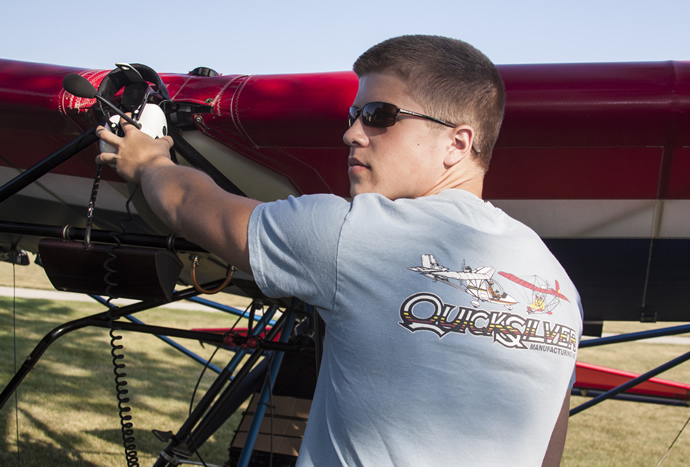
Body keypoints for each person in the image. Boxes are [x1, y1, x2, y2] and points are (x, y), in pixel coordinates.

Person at [97, 35, 583, 466]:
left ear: (457, 143)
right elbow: (548, 447)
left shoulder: (351, 233)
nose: (352, 133)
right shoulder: (557, 283)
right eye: (355, 115)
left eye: (379, 116)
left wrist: (149, 160)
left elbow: (189, 204)